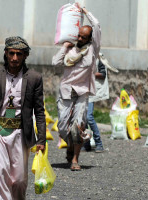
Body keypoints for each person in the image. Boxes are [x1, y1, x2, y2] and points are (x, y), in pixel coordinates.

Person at [0, 36, 46, 200]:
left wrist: (41, 140)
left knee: (18, 180)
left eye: (19, 54)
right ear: (5, 53)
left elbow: (39, 112)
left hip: (20, 134)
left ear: (25, 55)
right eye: (11, 53)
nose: (15, 58)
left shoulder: (34, 78)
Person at [52, 4, 101, 171]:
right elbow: (55, 63)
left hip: (82, 92)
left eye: (83, 37)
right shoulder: (70, 50)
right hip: (66, 91)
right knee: (62, 128)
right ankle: (70, 145)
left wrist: (85, 11)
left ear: (89, 39)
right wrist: (64, 47)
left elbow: (96, 25)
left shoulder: (93, 50)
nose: (80, 39)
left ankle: (75, 159)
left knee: (79, 126)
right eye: (78, 36)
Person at [83, 58, 108, 153]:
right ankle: (86, 144)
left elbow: (103, 74)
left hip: (91, 92)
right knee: (83, 118)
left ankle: (99, 143)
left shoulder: (99, 59)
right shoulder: (80, 55)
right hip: (81, 91)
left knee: (89, 117)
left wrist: (91, 74)